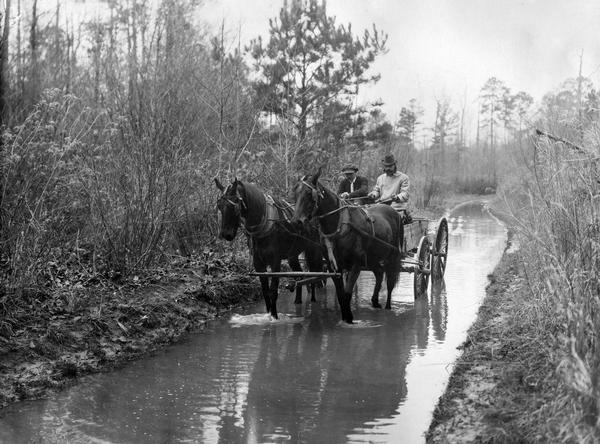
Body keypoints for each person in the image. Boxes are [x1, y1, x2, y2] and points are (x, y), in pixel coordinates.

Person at [368, 154, 411, 219]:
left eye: (390, 166)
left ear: (394, 165)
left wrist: (397, 197)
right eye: (386, 166)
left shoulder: (403, 177)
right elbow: (376, 191)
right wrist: (373, 195)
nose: (388, 168)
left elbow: (405, 193)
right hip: (382, 206)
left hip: (397, 207)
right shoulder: (380, 178)